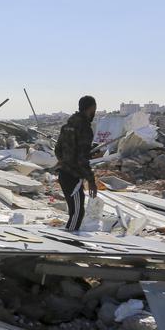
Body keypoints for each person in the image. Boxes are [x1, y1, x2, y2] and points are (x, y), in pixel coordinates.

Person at [55, 95, 98, 231]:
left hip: (64, 174)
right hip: (73, 177)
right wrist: (91, 181)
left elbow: (58, 151)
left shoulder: (67, 126)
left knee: (74, 212)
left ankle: (67, 244)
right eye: (94, 109)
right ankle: (69, 245)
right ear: (91, 108)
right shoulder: (85, 129)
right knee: (78, 213)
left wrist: (66, 162)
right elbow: (81, 159)